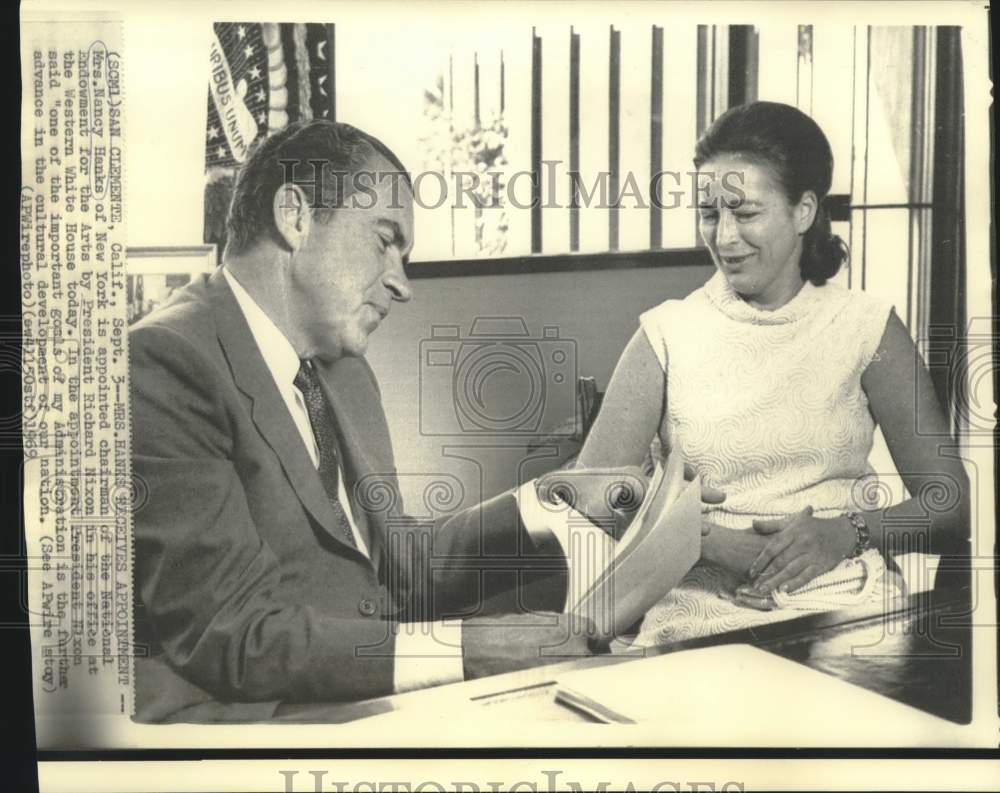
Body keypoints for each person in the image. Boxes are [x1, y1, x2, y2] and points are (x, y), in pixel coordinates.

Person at [130, 120, 657, 722]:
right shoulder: (166, 362)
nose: (401, 285)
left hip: (358, 695)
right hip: (256, 720)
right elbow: (235, 636)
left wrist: (552, 500)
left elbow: (392, 570)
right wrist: (466, 648)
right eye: (385, 241)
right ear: (295, 217)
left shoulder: (343, 374)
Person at [573, 101, 969, 642]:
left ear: (803, 210)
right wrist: (707, 542)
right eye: (710, 213)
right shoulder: (665, 334)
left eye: (746, 212)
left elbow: (951, 503)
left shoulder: (867, 328)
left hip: (843, 607)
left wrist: (844, 533)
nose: (725, 237)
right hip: (696, 613)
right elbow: (588, 496)